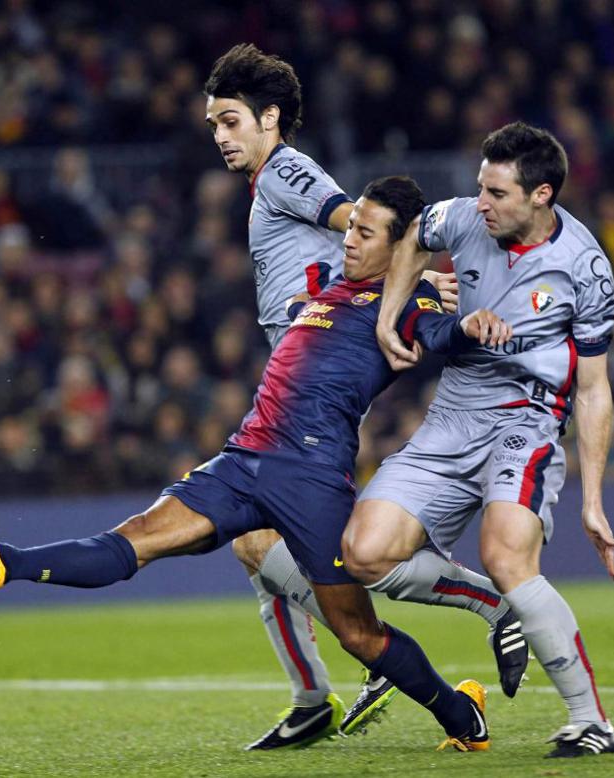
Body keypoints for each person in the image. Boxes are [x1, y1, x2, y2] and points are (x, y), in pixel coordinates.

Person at [0, 176, 510, 753]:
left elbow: (438, 333)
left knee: (359, 634)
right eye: (351, 226)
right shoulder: (337, 286)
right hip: (244, 457)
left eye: (365, 232)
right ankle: (2, 561)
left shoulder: (407, 305)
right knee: (136, 537)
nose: (350, 239)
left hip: (310, 477)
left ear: (400, 245)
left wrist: (465, 326)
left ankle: (461, 715)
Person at [200, 43, 525, 747]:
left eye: (230, 121)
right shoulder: (270, 183)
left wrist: (406, 281)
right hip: (302, 373)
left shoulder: (284, 171)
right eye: (214, 125)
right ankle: (314, 695)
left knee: (305, 547)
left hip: (322, 377)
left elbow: (366, 223)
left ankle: (476, 610)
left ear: (268, 118)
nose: (220, 136)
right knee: (258, 544)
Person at [343, 122, 614, 758]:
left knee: (506, 553)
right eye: (480, 187)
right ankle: (498, 607)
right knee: (365, 553)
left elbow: (594, 388)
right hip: (453, 413)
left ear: (541, 194)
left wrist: (593, 499)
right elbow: (412, 235)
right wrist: (390, 317)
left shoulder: (585, 268)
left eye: (497, 193)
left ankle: (591, 722)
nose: (482, 203)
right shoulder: (464, 217)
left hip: (526, 419)